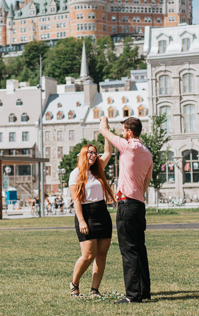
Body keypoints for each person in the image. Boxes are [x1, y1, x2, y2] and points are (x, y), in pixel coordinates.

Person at [99, 116, 152, 304]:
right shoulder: (147, 152)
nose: (121, 134)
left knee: (128, 250)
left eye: (123, 131)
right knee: (140, 248)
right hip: (139, 204)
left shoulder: (129, 146)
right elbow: (146, 182)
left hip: (126, 204)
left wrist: (104, 121)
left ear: (129, 132)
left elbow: (105, 132)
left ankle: (132, 295)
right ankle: (144, 290)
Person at [68, 139, 114, 298]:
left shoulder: (98, 169)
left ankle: (95, 290)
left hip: (102, 213)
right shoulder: (75, 173)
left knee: (101, 255)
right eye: (91, 152)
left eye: (95, 153)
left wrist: (107, 134)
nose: (94, 155)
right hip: (86, 214)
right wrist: (81, 221)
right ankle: (74, 283)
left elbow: (109, 152)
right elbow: (76, 200)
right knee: (88, 255)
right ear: (83, 154)